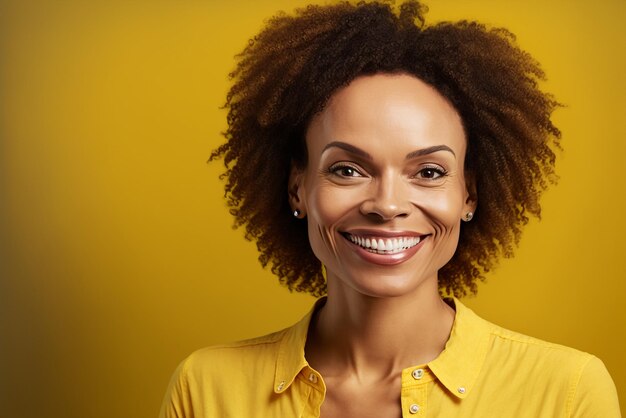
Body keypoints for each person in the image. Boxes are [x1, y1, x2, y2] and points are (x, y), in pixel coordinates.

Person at [159, 1, 621, 417]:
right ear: (297, 188)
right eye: (347, 169)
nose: (387, 205)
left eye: (429, 172)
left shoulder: (566, 394)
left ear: (469, 194)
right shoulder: (205, 390)